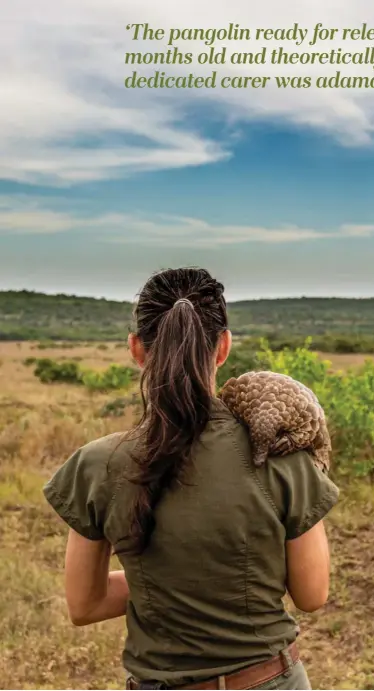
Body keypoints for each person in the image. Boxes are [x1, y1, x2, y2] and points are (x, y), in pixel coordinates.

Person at [43, 267, 339, 690]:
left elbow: (84, 604)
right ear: (223, 347)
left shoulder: (96, 465)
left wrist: (161, 579)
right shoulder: (279, 454)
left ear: (136, 349)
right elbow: (312, 594)